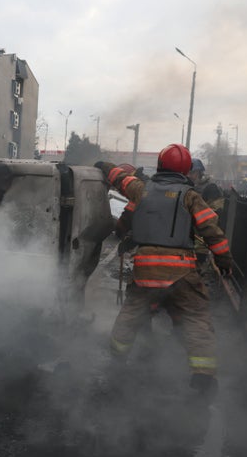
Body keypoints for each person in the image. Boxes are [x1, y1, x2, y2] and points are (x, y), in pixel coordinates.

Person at [94, 143, 233, 399]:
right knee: (196, 321)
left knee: (129, 317)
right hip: (181, 273)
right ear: (186, 169)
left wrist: (104, 166)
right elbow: (210, 229)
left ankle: (116, 363)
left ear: (159, 165)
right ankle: (202, 379)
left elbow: (121, 178)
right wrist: (224, 259)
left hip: (146, 271)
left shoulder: (142, 189)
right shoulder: (190, 196)